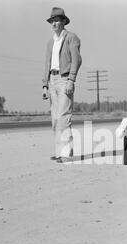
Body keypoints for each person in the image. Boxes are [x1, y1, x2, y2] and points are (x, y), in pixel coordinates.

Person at [42, 7, 82, 163]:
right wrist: (45, 85)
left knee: (63, 117)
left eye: (57, 20)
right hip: (52, 81)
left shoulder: (72, 38)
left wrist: (71, 80)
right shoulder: (50, 42)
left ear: (64, 21)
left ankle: (66, 153)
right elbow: (47, 64)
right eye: (52, 21)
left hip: (65, 79)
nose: (54, 23)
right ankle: (59, 152)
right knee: (55, 119)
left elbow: (77, 60)